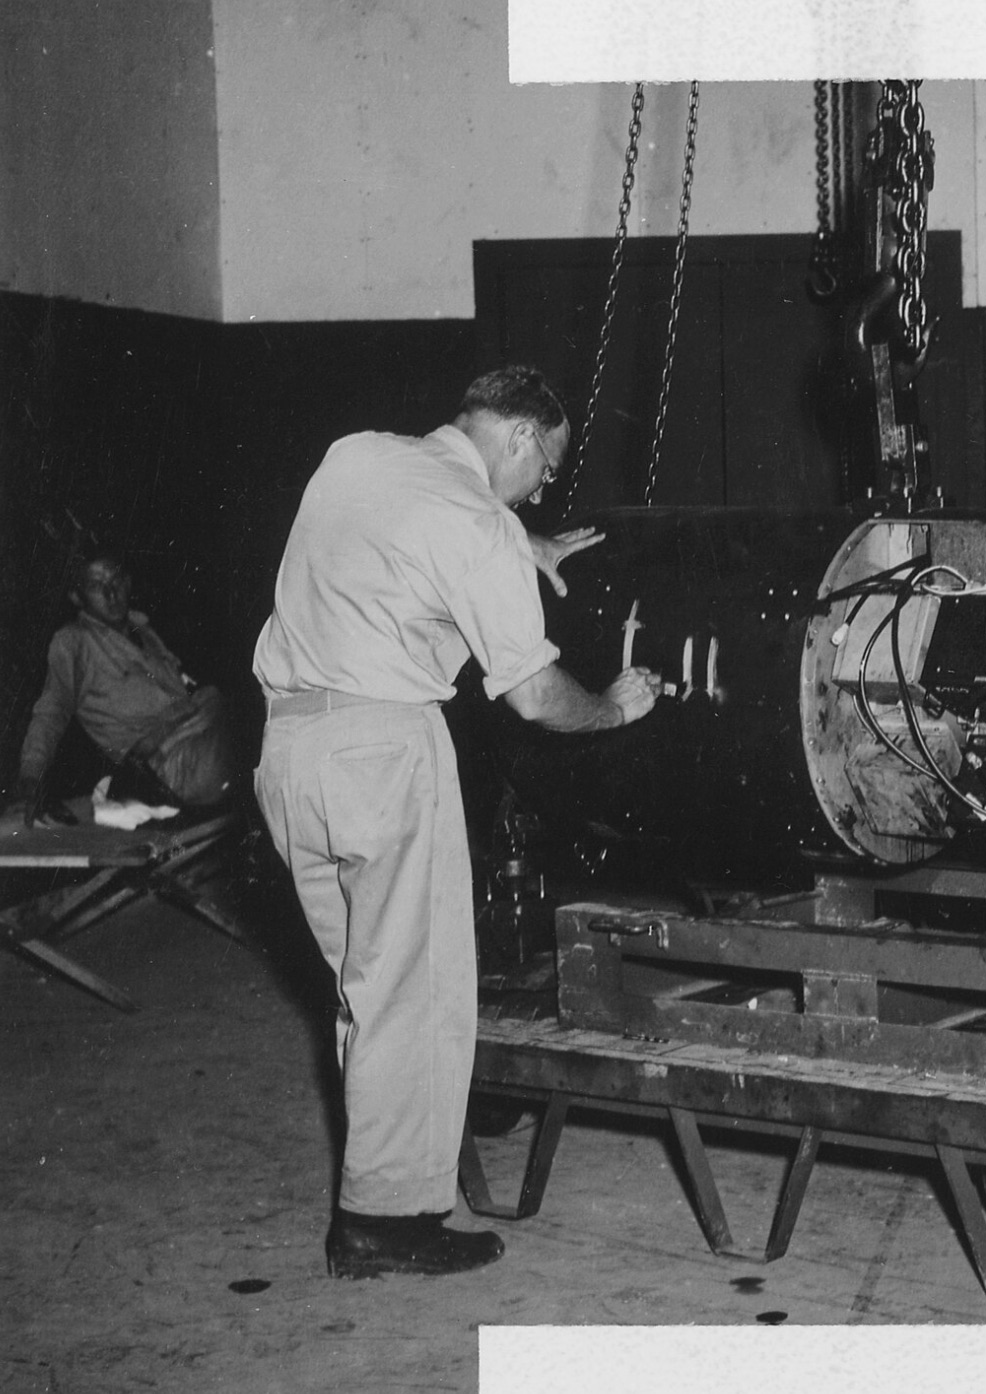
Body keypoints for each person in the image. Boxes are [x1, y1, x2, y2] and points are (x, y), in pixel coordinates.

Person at [252, 365, 662, 1279]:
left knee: (369, 988)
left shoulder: (356, 456)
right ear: (519, 439)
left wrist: (522, 548)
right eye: (544, 470)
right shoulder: (478, 526)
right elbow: (535, 698)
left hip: (289, 749)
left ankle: (387, 1175)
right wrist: (615, 706)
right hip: (384, 754)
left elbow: (412, 531)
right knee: (417, 994)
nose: (541, 488)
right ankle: (385, 1221)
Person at [2, 551, 236, 828]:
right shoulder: (73, 642)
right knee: (246, 718)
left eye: (115, 580)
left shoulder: (144, 631)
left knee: (226, 701)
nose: (110, 593)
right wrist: (30, 777)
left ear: (128, 583)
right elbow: (50, 713)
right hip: (171, 762)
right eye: (96, 586)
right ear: (78, 598)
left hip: (201, 733)